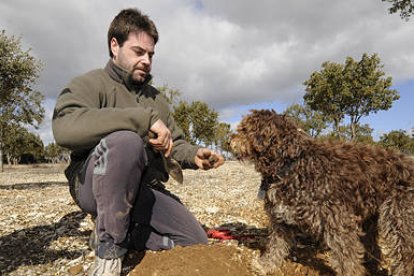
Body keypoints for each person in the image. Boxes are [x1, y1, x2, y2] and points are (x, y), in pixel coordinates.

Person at [52, 8, 224, 275]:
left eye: (151, 54)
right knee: (126, 141)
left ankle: (117, 231)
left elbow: (174, 143)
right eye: (138, 52)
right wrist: (141, 120)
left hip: (142, 187)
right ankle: (109, 252)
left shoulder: (156, 99)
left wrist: (194, 155)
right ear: (114, 46)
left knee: (194, 240)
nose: (146, 60)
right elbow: (64, 129)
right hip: (93, 185)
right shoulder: (90, 83)